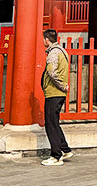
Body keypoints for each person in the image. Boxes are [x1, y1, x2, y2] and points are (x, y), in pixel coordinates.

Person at [40, 29, 73, 166]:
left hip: (54, 93)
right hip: (58, 94)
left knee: (50, 124)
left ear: (47, 40)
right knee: (54, 123)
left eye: (44, 39)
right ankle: (65, 149)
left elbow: (52, 73)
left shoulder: (53, 53)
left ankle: (56, 156)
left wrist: (61, 85)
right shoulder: (63, 51)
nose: (43, 41)